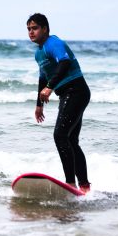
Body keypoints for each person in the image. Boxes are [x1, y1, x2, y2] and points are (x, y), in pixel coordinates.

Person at [26, 13, 91, 193]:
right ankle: (84, 187)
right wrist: (39, 105)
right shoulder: (39, 53)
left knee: (60, 135)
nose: (31, 32)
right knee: (71, 140)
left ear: (45, 29)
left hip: (76, 91)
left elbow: (64, 63)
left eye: (35, 28)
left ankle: (70, 184)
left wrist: (50, 87)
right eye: (29, 29)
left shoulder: (53, 43)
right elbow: (42, 78)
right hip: (69, 94)